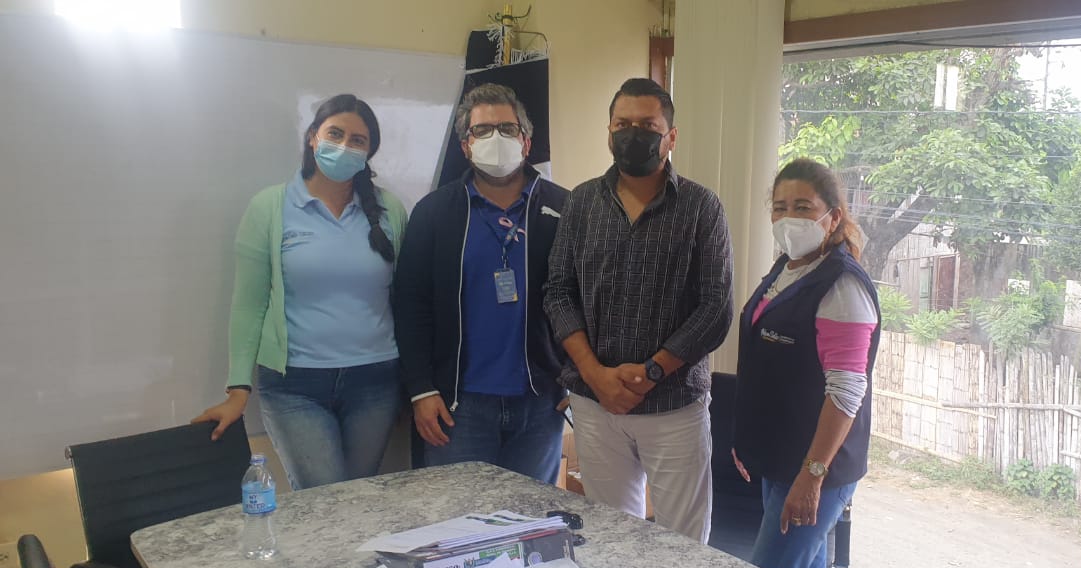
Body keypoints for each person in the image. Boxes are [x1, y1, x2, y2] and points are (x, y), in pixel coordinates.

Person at [544, 78, 734, 542]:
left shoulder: (701, 207)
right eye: (622, 124)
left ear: (671, 136)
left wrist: (651, 372)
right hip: (596, 403)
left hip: (674, 405)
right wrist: (595, 375)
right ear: (609, 132)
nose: (634, 135)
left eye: (648, 126)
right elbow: (558, 292)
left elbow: (715, 307)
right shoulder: (581, 202)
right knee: (612, 536)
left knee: (682, 543)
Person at [194, 94, 408, 490]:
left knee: (360, 498)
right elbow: (249, 305)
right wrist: (237, 390)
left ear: (369, 152)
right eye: (335, 134)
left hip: (376, 383)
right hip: (295, 387)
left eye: (357, 140)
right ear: (313, 137)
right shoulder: (270, 207)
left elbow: (407, 300)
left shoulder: (389, 210)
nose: (344, 146)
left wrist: (418, 386)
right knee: (325, 499)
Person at [393, 84, 569, 484]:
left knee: (530, 517)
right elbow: (410, 305)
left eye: (507, 129)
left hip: (541, 403)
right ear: (466, 145)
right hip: (458, 405)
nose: (496, 138)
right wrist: (421, 390)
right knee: (460, 518)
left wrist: (575, 379)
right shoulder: (434, 212)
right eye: (483, 130)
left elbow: (586, 300)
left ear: (526, 141)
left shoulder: (565, 208)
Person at [731, 157, 881, 568]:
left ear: (833, 217)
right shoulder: (786, 269)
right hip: (780, 460)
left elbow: (847, 391)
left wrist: (812, 476)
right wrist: (748, 439)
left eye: (803, 207)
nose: (788, 218)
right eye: (780, 208)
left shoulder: (842, 286)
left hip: (815, 469)